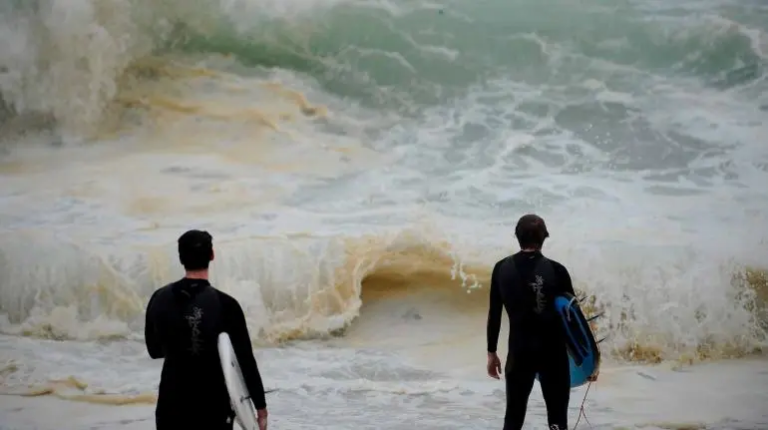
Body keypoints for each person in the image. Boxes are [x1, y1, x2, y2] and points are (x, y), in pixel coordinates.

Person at [145, 229, 269, 430]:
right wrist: (260, 408)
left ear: (180, 258)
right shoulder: (226, 304)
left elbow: (154, 350)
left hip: (170, 405)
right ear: (212, 255)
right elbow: (245, 360)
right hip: (212, 407)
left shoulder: (159, 298)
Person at [486, 214, 595, 430]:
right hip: (552, 356)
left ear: (516, 236)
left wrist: (492, 353)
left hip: (519, 354)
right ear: (544, 237)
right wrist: (589, 360)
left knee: (513, 419)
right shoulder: (557, 270)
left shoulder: (501, 269)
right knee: (557, 422)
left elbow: (495, 313)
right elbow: (572, 321)